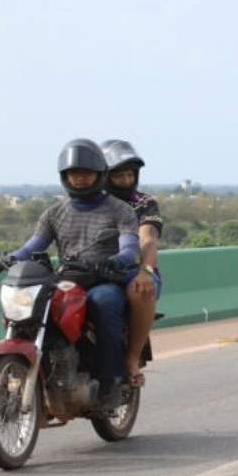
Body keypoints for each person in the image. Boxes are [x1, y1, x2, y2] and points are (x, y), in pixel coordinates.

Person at [5, 139, 139, 408]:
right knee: (28, 308)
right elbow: (33, 246)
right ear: (65, 177)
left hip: (104, 278)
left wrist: (118, 260)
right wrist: (8, 258)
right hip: (67, 280)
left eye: (87, 173)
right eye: (74, 174)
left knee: (104, 303)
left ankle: (110, 381)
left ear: (100, 174)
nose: (80, 179)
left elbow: (129, 246)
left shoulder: (120, 210)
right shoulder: (55, 212)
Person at [102, 139, 163, 385]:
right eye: (119, 175)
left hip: (133, 270)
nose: (127, 180)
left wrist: (145, 270)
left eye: (130, 174)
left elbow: (147, 239)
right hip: (92, 270)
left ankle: (131, 357)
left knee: (140, 291)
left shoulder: (144, 203)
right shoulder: (91, 202)